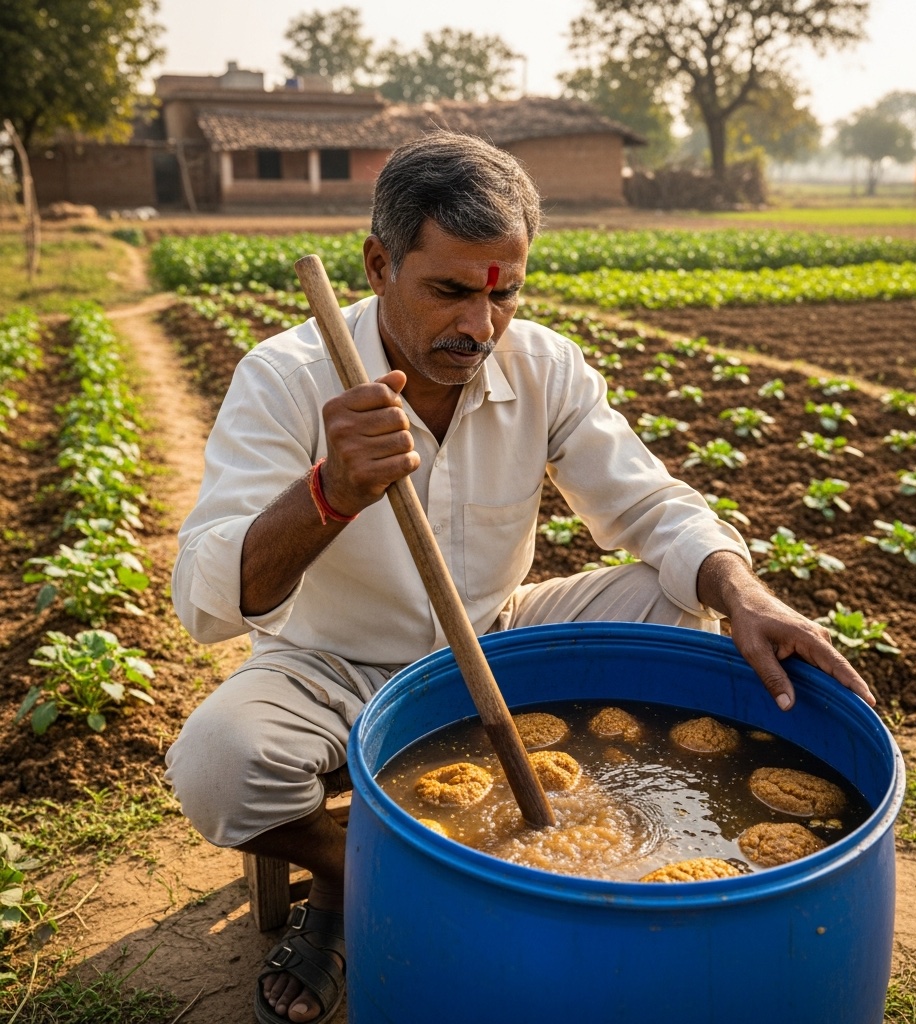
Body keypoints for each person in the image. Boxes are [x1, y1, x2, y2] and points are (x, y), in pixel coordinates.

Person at [166, 131, 875, 1024]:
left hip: (499, 634)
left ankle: (483, 844)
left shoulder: (543, 364)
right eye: (452, 291)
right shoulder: (285, 377)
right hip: (331, 662)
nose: (480, 327)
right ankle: (354, 874)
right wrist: (329, 492)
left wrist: (746, 593)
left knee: (675, 598)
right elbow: (204, 600)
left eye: (505, 292)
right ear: (379, 264)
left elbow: (651, 505)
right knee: (218, 764)